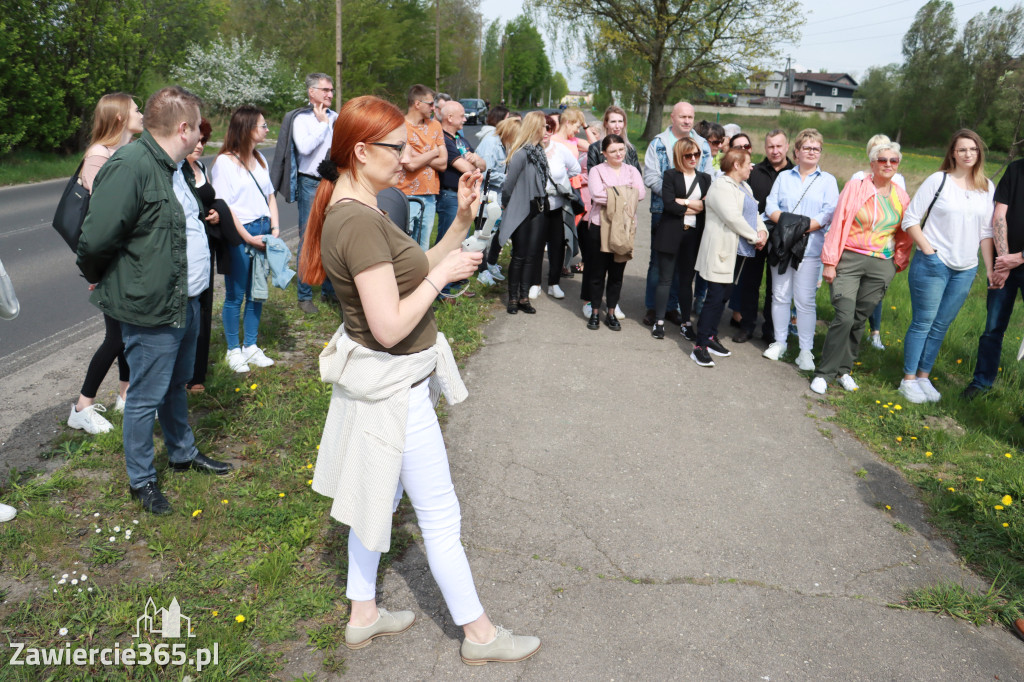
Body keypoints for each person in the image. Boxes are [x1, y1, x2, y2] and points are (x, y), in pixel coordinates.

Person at [300, 94, 541, 664]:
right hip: (393, 386)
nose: (409, 151)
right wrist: (446, 279)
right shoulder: (357, 221)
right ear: (360, 152)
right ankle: (480, 636)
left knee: (374, 498)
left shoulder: (363, 206)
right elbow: (387, 325)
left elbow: (413, 270)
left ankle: (363, 613)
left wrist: (459, 223)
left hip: (380, 383)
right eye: (395, 145)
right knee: (438, 513)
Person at [77, 86, 234, 515]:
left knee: (175, 385)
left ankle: (182, 453)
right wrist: (111, 282)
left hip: (186, 298)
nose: (201, 134)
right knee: (145, 395)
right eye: (198, 126)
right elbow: (94, 241)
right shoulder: (131, 165)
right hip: (151, 304)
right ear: (183, 128)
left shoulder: (176, 166)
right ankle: (142, 480)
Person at [898, 129, 995, 403]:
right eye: (962, 149)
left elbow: (986, 232)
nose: (968, 154)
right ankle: (907, 380)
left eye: (973, 149)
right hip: (933, 264)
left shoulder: (987, 187)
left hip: (965, 269)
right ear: (953, 152)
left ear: (979, 154)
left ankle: (923, 377)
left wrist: (988, 268)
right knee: (923, 322)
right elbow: (910, 219)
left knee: (941, 325)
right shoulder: (938, 180)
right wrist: (929, 251)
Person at [67, 93, 144, 435]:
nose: (141, 113)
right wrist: (97, 269)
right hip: (111, 261)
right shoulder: (99, 155)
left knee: (126, 333)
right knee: (116, 336)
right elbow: (106, 217)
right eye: (136, 109)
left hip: (124, 258)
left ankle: (125, 395)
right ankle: (82, 406)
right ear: (119, 118)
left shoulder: (122, 152)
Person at [810, 140, 912, 394]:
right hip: (850, 259)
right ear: (873, 163)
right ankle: (824, 372)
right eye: (883, 160)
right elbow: (838, 222)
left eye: (893, 161)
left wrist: (897, 262)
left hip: (882, 264)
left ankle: (844, 370)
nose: (888, 165)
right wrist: (830, 262)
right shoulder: (856, 187)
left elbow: (905, 230)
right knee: (844, 316)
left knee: (859, 319)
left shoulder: (901, 194)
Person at [762, 129, 839, 372]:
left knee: (805, 301)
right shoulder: (784, 178)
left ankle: (806, 351)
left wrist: (802, 227)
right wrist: (787, 224)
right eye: (807, 147)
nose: (812, 152)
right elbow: (770, 204)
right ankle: (780, 342)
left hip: (811, 247)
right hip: (784, 246)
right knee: (781, 296)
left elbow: (828, 212)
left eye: (816, 148)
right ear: (796, 152)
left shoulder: (827, 181)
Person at [211, 106, 280, 373]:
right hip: (241, 234)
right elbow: (225, 207)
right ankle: (233, 350)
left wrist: (274, 229)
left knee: (257, 293)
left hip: (263, 229)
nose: (266, 130)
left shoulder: (260, 158)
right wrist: (248, 238)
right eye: (262, 125)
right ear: (247, 128)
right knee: (235, 294)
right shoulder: (225, 163)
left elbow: (270, 196)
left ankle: (251, 346)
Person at [690, 147, 768, 366]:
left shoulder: (744, 186)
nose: (751, 167)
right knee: (714, 298)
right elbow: (732, 218)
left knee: (724, 295)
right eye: (747, 164)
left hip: (738, 254)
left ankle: (711, 336)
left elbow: (755, 212)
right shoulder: (721, 186)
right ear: (736, 165)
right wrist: (755, 236)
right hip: (720, 251)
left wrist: (763, 231)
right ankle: (700, 346)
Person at [184, 119, 245, 392]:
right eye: (196, 139)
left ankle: (197, 374)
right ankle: (181, 374)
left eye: (204, 140)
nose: (200, 145)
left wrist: (217, 213)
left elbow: (209, 201)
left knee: (205, 307)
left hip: (206, 245)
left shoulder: (201, 167)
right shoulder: (175, 171)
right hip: (184, 249)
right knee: (186, 311)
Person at [642, 102, 713, 327]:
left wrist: (688, 201)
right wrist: (673, 193)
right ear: (672, 117)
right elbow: (651, 176)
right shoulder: (658, 143)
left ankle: (672, 307)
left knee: (683, 266)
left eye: (690, 116)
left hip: (693, 214)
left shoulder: (702, 144)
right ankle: (654, 308)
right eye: (682, 116)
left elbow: (709, 176)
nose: (687, 120)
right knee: (658, 264)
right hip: (663, 210)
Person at [272, 73, 338, 314]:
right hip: (310, 182)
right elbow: (306, 148)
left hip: (332, 181)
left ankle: (330, 291)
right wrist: (322, 125)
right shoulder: (302, 119)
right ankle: (304, 295)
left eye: (331, 90)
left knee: (332, 237)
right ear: (312, 92)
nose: (330, 94)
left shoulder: (336, 118)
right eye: (325, 90)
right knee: (309, 238)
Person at [964, 153, 1024, 399]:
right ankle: (981, 383)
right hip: (1005, 264)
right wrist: (1003, 262)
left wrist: (1019, 258)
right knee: (992, 329)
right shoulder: (1016, 170)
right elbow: (999, 215)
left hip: (1015, 259)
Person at [848, 135, 908, 352]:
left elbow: (902, 214)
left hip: (884, 250)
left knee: (875, 295)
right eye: (878, 153)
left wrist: (898, 257)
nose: (886, 162)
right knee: (853, 298)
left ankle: (874, 333)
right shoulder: (859, 178)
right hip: (858, 247)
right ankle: (850, 336)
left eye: (890, 157)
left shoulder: (898, 181)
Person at [732, 129, 792, 344]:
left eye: (779, 146)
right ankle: (746, 326)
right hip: (755, 237)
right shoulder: (754, 171)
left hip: (784, 239)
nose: (775, 151)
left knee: (776, 287)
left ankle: (770, 329)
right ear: (765, 148)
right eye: (770, 146)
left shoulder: (795, 173)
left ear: (786, 147)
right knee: (750, 282)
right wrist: (754, 233)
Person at [650, 138, 711, 340]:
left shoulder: (704, 179)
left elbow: (706, 207)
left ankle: (686, 322)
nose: (693, 158)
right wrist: (694, 205)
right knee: (665, 279)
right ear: (679, 156)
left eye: (696, 154)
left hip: (693, 235)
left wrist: (683, 202)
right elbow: (668, 204)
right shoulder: (670, 175)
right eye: (688, 155)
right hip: (670, 233)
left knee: (686, 282)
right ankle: (659, 322)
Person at [587, 107, 641, 320]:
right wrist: (624, 195)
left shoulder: (632, 170)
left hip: (625, 226)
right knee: (597, 272)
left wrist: (615, 194)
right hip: (600, 224)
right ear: (604, 154)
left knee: (617, 273)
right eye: (613, 151)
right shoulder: (597, 170)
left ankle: (611, 310)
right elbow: (597, 195)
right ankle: (593, 311)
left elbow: (640, 193)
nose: (619, 154)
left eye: (621, 151)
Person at [498, 112, 550, 314]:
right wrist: (507, 206)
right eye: (545, 126)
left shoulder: (539, 152)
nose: (546, 131)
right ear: (536, 127)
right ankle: (512, 298)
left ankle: (524, 297)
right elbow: (508, 186)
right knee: (519, 255)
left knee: (532, 255)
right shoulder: (521, 153)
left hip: (538, 208)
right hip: (521, 209)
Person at [530, 114, 580, 300]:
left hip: (558, 205)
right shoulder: (529, 150)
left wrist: (563, 184)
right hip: (535, 206)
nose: (545, 133)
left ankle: (554, 283)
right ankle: (534, 283)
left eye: (549, 128)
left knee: (557, 245)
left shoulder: (560, 149)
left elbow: (575, 169)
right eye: (541, 128)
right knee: (535, 245)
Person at [397, 84, 447, 251]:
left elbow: (443, 163)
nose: (434, 108)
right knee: (405, 246)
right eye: (431, 103)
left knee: (423, 248)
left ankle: (420, 278)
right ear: (417, 104)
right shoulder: (400, 126)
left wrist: (419, 156)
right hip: (407, 195)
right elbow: (409, 165)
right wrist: (434, 152)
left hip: (430, 196)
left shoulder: (435, 126)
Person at [476, 118, 520, 285]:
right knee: (483, 234)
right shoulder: (491, 144)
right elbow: (486, 172)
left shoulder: (503, 144)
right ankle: (482, 270)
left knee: (497, 231)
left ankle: (491, 263)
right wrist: (508, 179)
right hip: (485, 196)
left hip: (497, 195)